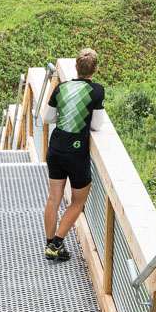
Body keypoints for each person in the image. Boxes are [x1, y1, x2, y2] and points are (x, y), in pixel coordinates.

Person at [41, 48, 105, 261]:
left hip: (56, 148)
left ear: (76, 68)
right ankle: (56, 244)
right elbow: (96, 125)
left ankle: (50, 243)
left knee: (54, 197)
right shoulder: (96, 91)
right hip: (76, 153)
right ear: (95, 69)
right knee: (78, 202)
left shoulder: (61, 88)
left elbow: (48, 117)